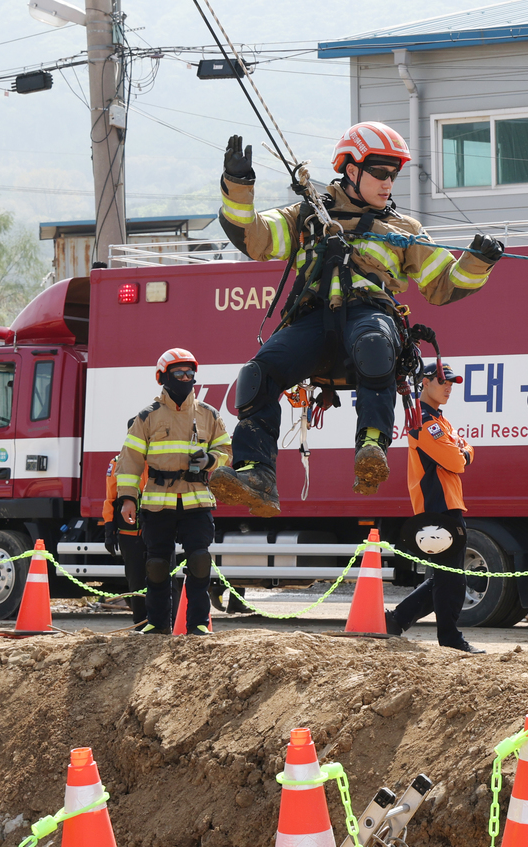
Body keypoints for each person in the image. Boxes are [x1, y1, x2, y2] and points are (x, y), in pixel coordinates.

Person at [211, 122, 505, 516]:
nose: (389, 183)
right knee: (257, 373)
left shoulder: (404, 230)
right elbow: (255, 238)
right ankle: (255, 474)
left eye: (394, 176)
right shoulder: (306, 215)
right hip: (312, 319)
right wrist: (238, 185)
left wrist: (478, 261)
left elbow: (443, 286)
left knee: (373, 343)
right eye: (381, 173)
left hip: (372, 315)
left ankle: (371, 446)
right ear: (352, 171)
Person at [116, 349, 232, 636]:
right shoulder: (146, 417)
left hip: (197, 501)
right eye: (178, 373)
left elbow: (226, 450)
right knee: (155, 566)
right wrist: (127, 498)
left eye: (190, 373)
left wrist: (211, 461)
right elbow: (129, 460)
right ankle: (157, 624)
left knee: (200, 562)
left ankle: (198, 625)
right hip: (157, 503)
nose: (185, 378)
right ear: (163, 377)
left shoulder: (209, 414)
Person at [385, 362, 483, 653]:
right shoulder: (424, 420)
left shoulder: (439, 421)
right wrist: (462, 453)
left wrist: (462, 452)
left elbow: (465, 451)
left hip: (446, 504)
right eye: (442, 381)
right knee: (451, 578)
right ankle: (450, 639)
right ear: (424, 382)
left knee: (446, 575)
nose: (448, 386)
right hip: (437, 506)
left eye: (451, 382)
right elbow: (457, 460)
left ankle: (395, 621)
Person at [102, 450, 147, 626]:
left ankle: (165, 621)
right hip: (129, 532)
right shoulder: (117, 462)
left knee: (162, 576)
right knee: (136, 579)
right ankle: (140, 624)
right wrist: (109, 529)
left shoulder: (156, 459)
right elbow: (111, 499)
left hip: (155, 529)